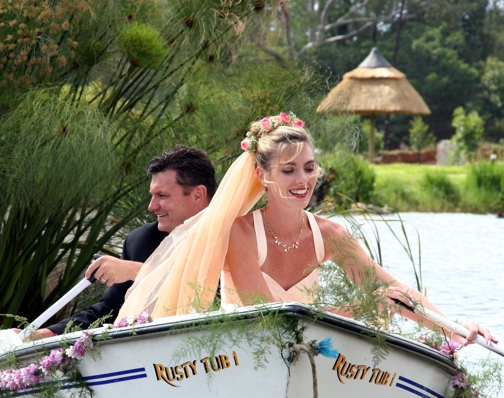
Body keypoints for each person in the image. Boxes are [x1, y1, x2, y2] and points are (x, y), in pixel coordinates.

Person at [116, 112, 496, 346]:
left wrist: (454, 327)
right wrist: (356, 309)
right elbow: (264, 315)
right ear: (262, 175)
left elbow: (391, 289)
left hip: (307, 349)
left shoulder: (331, 235)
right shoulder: (239, 232)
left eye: (309, 168)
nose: (303, 180)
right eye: (289, 170)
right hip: (245, 353)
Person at [30, 145, 216, 339]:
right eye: (152, 195)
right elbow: (107, 313)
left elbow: (219, 296)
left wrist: (137, 271)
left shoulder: (231, 235)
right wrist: (40, 336)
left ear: (198, 194)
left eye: (162, 196)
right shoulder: (139, 241)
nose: (151, 206)